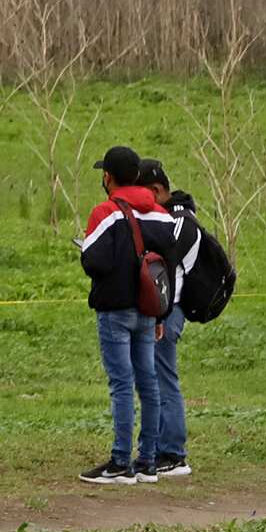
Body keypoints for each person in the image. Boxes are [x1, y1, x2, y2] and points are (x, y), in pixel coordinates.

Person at [74, 145, 178, 486]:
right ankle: (147, 460)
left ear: (108, 177)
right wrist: (162, 312)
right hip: (149, 310)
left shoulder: (105, 212)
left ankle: (120, 461)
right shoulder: (162, 215)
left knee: (121, 384)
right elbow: (168, 265)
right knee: (148, 383)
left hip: (115, 310)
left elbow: (94, 261)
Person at [137, 157, 201, 479]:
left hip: (169, 309)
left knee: (164, 379)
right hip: (163, 308)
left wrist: (161, 313)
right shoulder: (170, 216)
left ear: (157, 190)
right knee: (156, 378)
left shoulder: (178, 221)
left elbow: (167, 267)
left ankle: (174, 453)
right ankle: (162, 448)